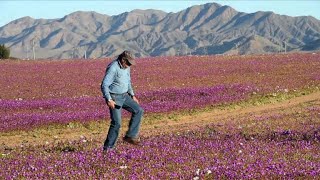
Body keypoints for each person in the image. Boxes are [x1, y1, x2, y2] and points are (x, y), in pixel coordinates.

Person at [101, 50, 144, 151]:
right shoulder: (113, 67)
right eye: (128, 63)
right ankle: (108, 149)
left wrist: (132, 95)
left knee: (138, 110)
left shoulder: (127, 67)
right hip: (115, 98)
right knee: (116, 123)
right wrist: (109, 99)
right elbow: (104, 85)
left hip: (125, 96)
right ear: (123, 60)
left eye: (131, 64)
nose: (129, 65)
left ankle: (130, 136)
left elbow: (128, 82)